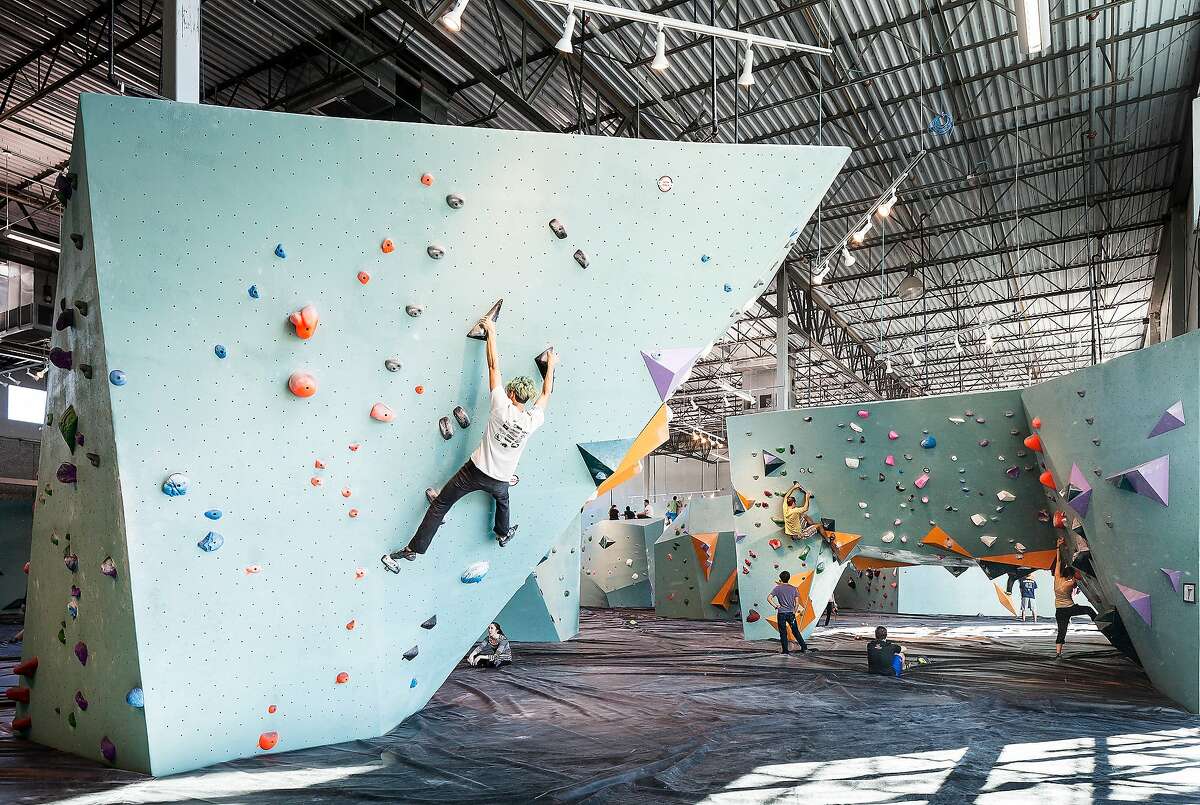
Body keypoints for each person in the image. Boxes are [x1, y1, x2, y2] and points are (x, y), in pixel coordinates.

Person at [382, 318, 555, 570]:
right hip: (501, 479)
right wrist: (550, 365)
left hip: (474, 471)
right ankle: (503, 534)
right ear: (525, 399)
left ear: (512, 394)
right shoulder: (532, 420)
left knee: (441, 504)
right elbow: (546, 394)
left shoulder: (500, 406)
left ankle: (413, 549)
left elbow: (493, 366)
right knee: (503, 502)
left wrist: (492, 332)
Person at [1054, 565, 1096, 657]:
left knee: (1061, 631)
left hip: (1059, 610)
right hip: (1070, 608)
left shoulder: (1056, 579)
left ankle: (1058, 653)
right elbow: (1077, 581)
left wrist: (1058, 551)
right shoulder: (1069, 583)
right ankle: (1099, 623)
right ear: (1070, 576)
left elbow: (1058, 563)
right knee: (1088, 610)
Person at [767, 571, 807, 654]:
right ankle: (804, 647)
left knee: (783, 632)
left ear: (781, 578)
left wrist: (776, 606)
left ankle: (785, 650)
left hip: (781, 613)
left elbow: (769, 598)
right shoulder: (794, 588)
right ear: (789, 578)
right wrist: (794, 611)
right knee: (795, 631)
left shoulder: (777, 588)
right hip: (790, 614)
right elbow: (797, 603)